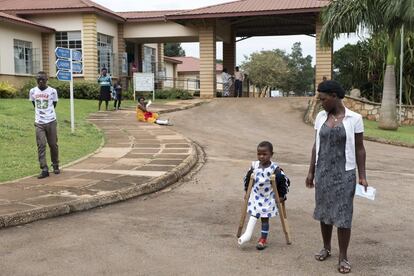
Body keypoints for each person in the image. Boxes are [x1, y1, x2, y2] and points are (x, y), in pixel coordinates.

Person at [305, 80, 368, 274]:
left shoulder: (354, 118)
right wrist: (311, 171)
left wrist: (362, 176)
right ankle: (326, 247)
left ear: (334, 96)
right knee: (324, 212)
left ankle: (343, 257)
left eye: (323, 99)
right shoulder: (320, 117)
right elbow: (316, 145)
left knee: (343, 216)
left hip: (345, 173)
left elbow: (359, 149)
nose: (321, 102)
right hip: (323, 172)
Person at [238, 141, 290, 250]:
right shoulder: (254, 166)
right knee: (254, 214)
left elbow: (283, 182)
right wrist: (246, 191)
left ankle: (263, 239)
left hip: (268, 197)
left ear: (271, 154)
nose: (261, 156)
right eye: (259, 154)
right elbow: (247, 179)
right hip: (256, 195)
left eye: (264, 154)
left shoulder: (275, 170)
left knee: (264, 219)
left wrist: (282, 195)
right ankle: (246, 234)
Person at [29, 71, 60, 179]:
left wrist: (48, 114)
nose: (41, 81)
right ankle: (44, 169)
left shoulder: (52, 91)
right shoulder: (32, 91)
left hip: (51, 121)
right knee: (41, 145)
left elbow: (54, 104)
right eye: (39, 79)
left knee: (53, 145)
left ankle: (55, 164)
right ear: (36, 80)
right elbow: (34, 104)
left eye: (43, 79)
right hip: (39, 123)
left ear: (47, 80)